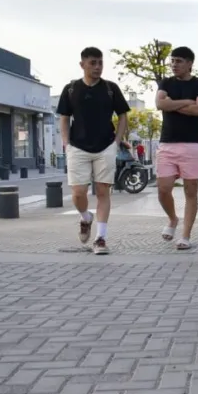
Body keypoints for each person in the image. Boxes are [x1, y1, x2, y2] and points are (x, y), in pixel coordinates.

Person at [56, 47, 131, 255]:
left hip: (105, 146)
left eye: (100, 63)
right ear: (82, 65)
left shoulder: (110, 88)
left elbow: (123, 116)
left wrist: (116, 142)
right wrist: (66, 143)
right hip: (77, 147)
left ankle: (100, 238)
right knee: (78, 193)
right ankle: (85, 217)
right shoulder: (71, 89)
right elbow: (64, 117)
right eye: (92, 63)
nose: (97, 67)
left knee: (103, 192)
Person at [155, 46, 198, 251]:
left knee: (191, 191)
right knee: (163, 189)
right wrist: (187, 102)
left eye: (179, 61)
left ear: (189, 63)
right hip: (167, 143)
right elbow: (160, 104)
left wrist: (173, 104)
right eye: (172, 61)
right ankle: (172, 219)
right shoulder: (166, 83)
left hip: (192, 144)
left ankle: (185, 236)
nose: (174, 65)